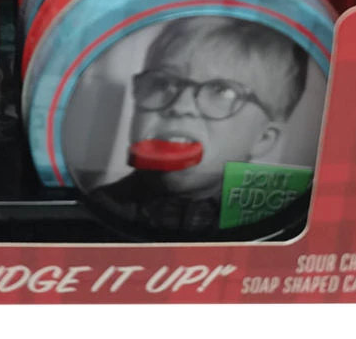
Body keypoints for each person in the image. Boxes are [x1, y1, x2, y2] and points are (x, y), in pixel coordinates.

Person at [91, 16, 308, 234]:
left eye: (221, 91)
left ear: (263, 139)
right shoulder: (100, 206)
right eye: (162, 82)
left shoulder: (271, 220)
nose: (181, 106)